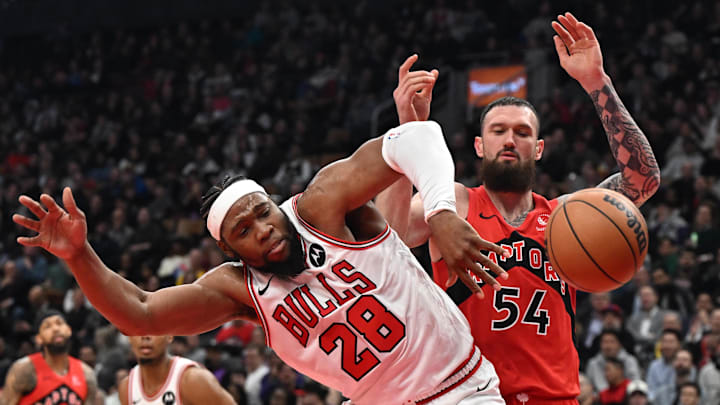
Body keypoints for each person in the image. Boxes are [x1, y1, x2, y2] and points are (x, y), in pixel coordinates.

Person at [12, 63, 510, 402]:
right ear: (230, 251)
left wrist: (443, 215)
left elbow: (417, 138)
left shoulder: (320, 207)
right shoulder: (238, 288)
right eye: (244, 231)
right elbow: (139, 313)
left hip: (459, 388)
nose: (265, 231)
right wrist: (79, 255)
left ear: (275, 203)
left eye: (262, 213)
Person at [376, 12, 660, 404]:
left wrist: (597, 83)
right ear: (479, 146)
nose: (510, 139)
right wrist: (406, 132)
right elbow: (387, 236)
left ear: (539, 149)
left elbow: (642, 181)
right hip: (470, 398)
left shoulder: (566, 216)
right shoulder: (454, 202)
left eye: (523, 133)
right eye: (498, 131)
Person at [0, 310, 102, 404]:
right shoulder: (24, 370)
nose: (55, 329)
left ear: (69, 330)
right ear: (39, 339)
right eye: (47, 326)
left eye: (59, 323)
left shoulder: (87, 374)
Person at [118, 335, 235, 405]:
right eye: (138, 330)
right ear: (129, 337)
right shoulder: (127, 387)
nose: (145, 337)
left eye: (154, 329)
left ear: (170, 336)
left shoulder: (193, 379)